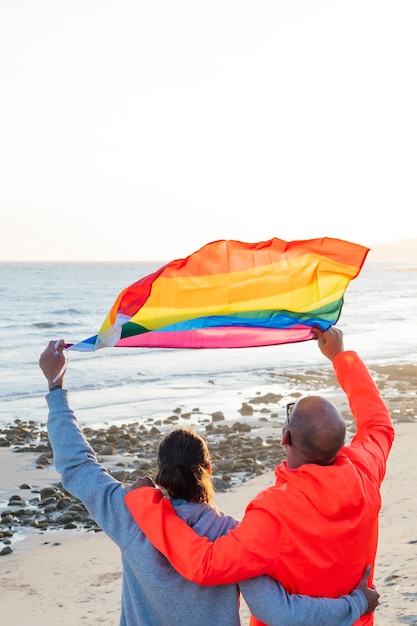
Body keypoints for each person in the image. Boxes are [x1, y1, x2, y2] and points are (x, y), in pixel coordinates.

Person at [39, 339, 379, 626]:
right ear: (209, 468)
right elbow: (277, 610)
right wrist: (354, 604)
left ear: (161, 470)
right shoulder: (235, 534)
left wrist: (56, 387)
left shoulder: (127, 516)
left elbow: (76, 465)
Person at [125, 326, 394, 626]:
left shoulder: (273, 515)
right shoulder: (366, 471)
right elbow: (378, 425)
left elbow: (205, 564)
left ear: (285, 437)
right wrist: (340, 357)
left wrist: (146, 505)